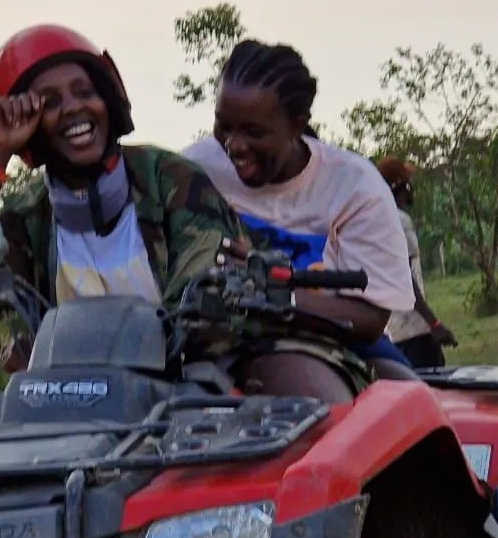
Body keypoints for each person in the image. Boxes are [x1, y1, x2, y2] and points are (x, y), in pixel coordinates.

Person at [0, 23, 247, 372]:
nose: (72, 108)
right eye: (49, 102)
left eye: (84, 92)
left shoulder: (176, 181)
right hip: (69, 409)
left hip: (188, 395)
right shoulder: (25, 217)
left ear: (109, 100)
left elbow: (207, 302)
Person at [181, 39, 419, 398]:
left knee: (411, 411)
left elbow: (369, 320)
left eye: (254, 132)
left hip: (339, 340)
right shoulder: (195, 171)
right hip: (220, 342)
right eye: (223, 126)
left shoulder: (353, 186)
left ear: (296, 126)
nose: (234, 146)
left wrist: (270, 295)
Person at [376, 157, 458, 368]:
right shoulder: (399, 220)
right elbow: (404, 277)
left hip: (390, 331)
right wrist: (434, 323)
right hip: (415, 331)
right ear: (402, 185)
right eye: (409, 182)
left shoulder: (374, 221)